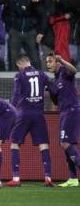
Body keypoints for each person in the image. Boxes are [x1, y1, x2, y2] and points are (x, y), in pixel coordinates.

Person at [4, 54, 55, 187]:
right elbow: (54, 89)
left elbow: (15, 95)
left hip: (24, 113)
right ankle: (48, 177)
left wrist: (10, 110)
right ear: (29, 61)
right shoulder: (41, 74)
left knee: (14, 143)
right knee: (43, 144)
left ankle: (16, 178)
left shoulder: (19, 75)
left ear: (20, 64)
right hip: (39, 114)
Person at [46, 53, 80, 187]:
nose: (48, 64)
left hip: (72, 110)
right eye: (47, 62)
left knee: (65, 143)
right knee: (66, 144)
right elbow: (55, 100)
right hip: (64, 112)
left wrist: (63, 60)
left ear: (57, 62)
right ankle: (73, 178)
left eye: (50, 61)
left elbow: (74, 70)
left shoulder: (65, 72)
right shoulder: (55, 80)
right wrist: (49, 90)